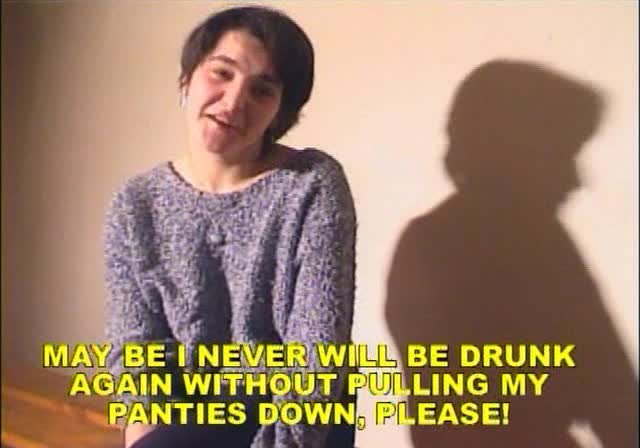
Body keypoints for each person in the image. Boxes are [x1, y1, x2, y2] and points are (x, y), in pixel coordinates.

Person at [103, 5, 357, 448]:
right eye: (221, 73)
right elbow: (135, 352)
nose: (235, 101)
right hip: (186, 420)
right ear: (187, 81)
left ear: (280, 111)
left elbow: (317, 359)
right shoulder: (135, 203)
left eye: (262, 90)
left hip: (295, 421)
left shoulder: (312, 184)